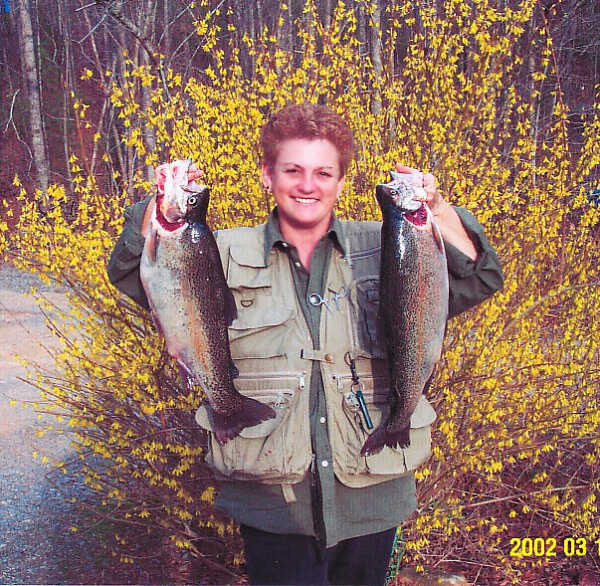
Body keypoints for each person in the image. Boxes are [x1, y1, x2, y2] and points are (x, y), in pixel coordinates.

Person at [107, 102, 503, 585]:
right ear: (266, 177)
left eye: (323, 172)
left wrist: (437, 211)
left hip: (373, 487)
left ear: (341, 181)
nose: (307, 185)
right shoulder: (220, 249)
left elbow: (481, 277)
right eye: (292, 170)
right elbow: (133, 275)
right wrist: (158, 206)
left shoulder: (391, 243)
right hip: (273, 499)